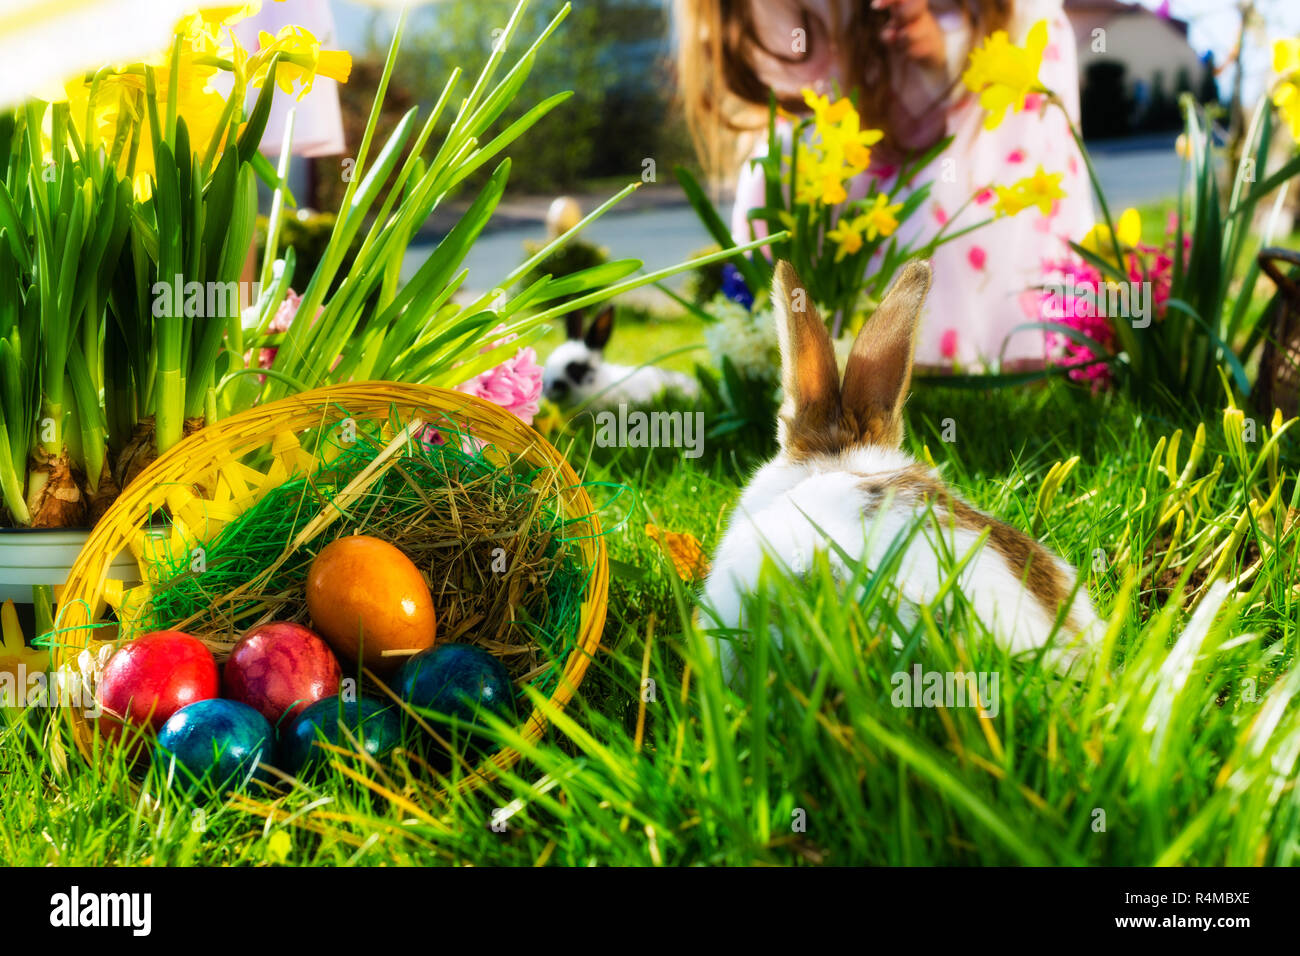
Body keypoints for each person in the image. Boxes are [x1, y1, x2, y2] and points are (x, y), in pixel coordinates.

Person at [675, 0, 1095, 370]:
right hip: (865, 118)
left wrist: (933, 45)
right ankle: (823, 354)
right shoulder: (788, 41)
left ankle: (960, 351)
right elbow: (794, 84)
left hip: (981, 94)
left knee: (951, 233)